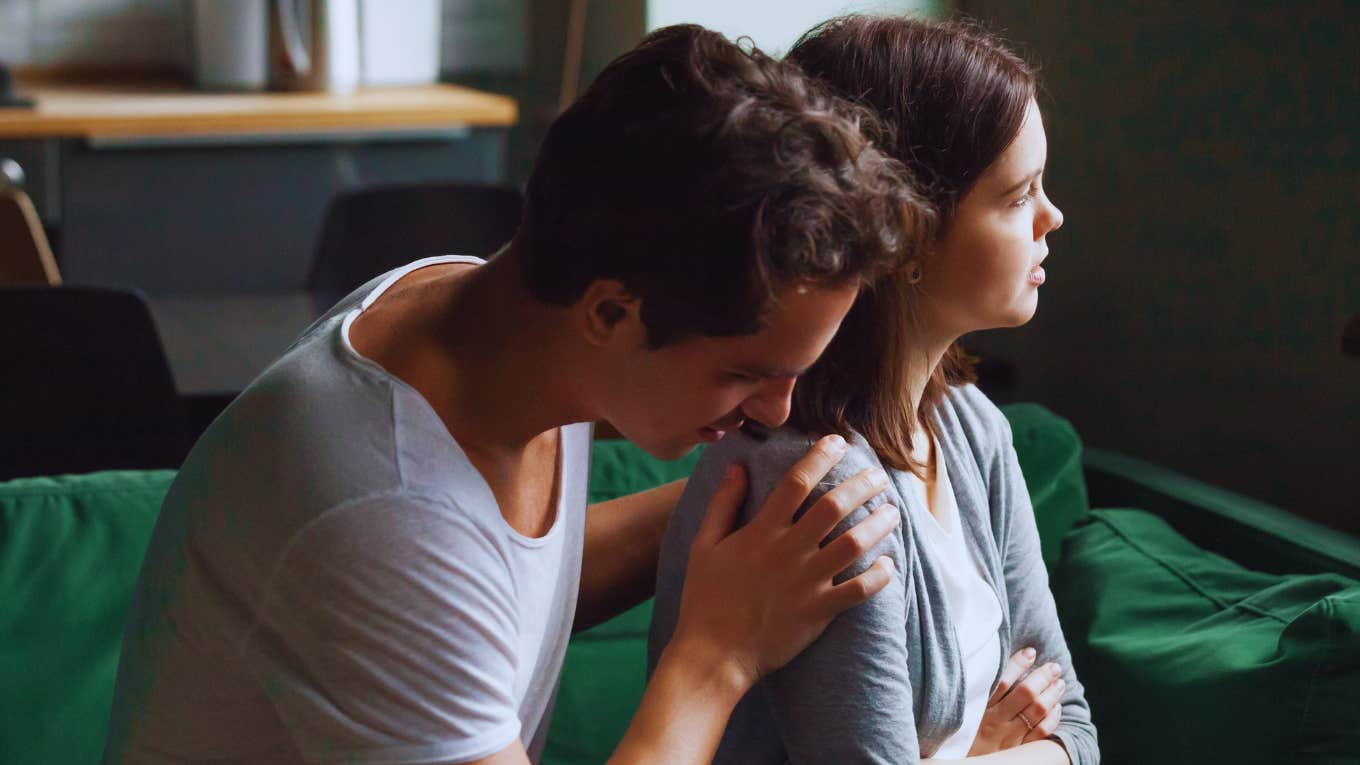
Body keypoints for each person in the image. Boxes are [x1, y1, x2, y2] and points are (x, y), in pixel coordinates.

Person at [101, 24, 929, 765]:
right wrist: (719, 653)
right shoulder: (373, 507)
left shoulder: (492, 319)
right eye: (747, 373)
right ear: (610, 310)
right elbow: (423, 556)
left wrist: (744, 512)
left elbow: (491, 581)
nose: (777, 412)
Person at [650, 14, 1099, 765]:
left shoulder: (974, 431)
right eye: (1019, 195)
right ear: (911, 232)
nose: (1053, 216)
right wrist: (989, 748)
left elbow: (1078, 733)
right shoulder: (823, 491)